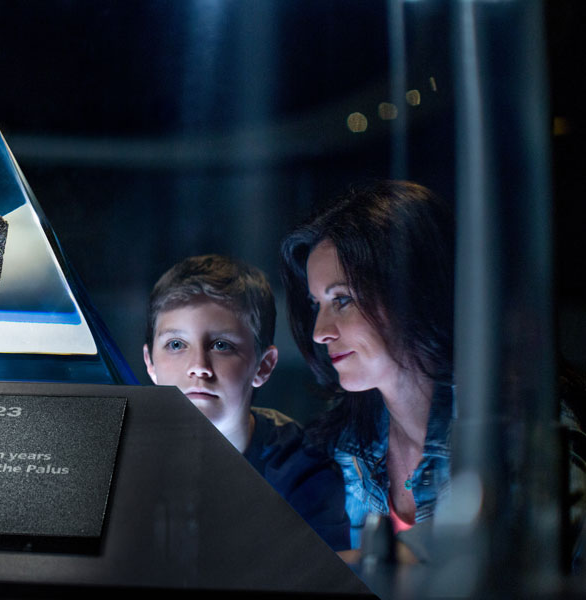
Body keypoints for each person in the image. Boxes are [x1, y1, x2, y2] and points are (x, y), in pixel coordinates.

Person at [279, 180, 455, 554]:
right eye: (317, 305)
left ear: (411, 293)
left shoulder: (511, 436)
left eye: (341, 300)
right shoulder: (350, 440)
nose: (320, 333)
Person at [143, 254, 350, 551]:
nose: (198, 365)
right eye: (176, 345)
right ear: (150, 362)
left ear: (263, 367)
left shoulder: (303, 473)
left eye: (221, 345)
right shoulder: (121, 461)